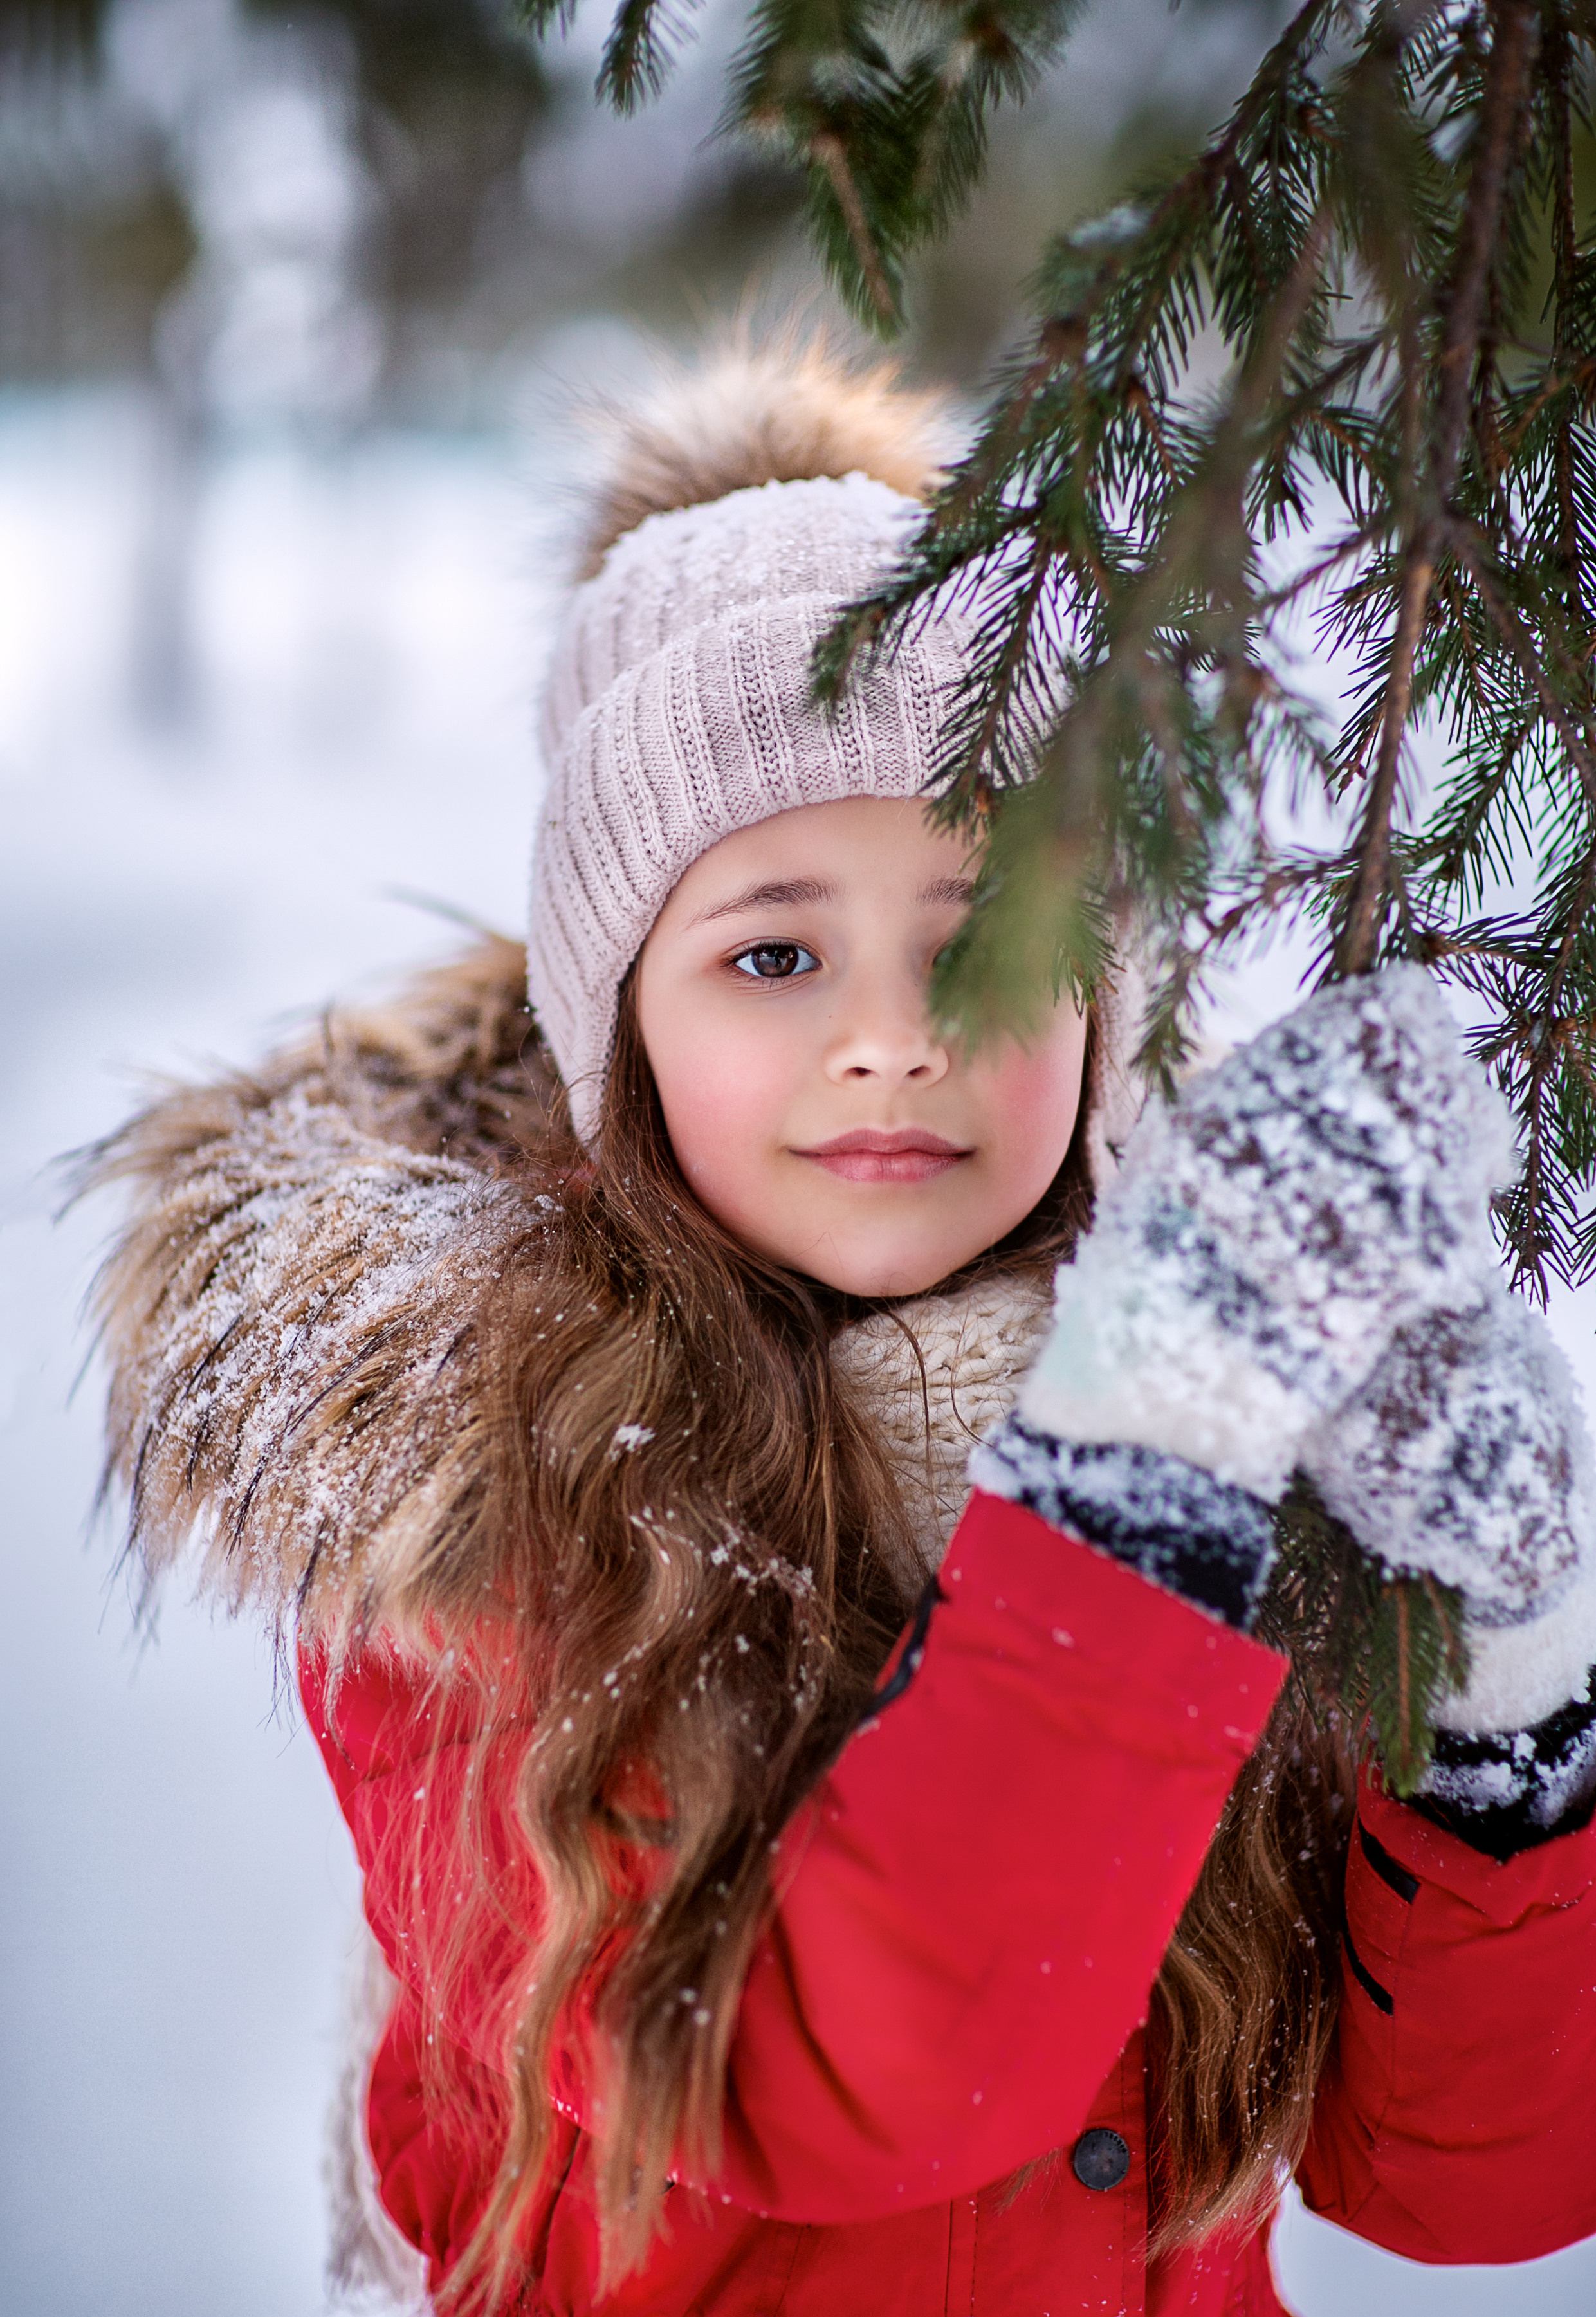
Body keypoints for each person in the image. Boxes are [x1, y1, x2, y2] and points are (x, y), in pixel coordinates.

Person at [89, 342, 1596, 2317]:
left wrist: (1514, 1696)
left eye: (983, 938)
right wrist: (1135, 1475)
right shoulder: (460, 1490)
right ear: (616, 1030)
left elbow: (1471, 2193)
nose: (892, 1034)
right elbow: (812, 2079)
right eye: (773, 952)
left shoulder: (1241, 1402)